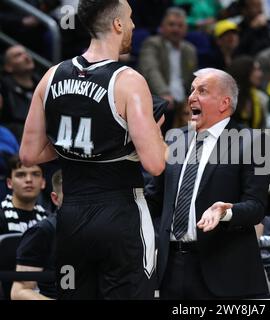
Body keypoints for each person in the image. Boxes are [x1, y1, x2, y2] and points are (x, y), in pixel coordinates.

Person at [19, 0, 167, 299]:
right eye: (130, 18)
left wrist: (79, 145)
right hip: (120, 211)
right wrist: (153, 134)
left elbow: (29, 155)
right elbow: (155, 163)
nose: (134, 25)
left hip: (71, 215)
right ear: (117, 24)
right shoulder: (128, 80)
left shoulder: (51, 75)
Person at [145, 67, 270, 299]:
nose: (191, 97)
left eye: (202, 91)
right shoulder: (175, 140)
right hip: (170, 268)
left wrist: (227, 212)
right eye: (192, 90)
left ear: (224, 103)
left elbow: (256, 207)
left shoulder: (254, 141)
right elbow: (155, 199)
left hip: (224, 270)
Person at [11, 170, 63, 300]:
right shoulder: (43, 231)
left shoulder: (100, 228)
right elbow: (19, 292)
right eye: (72, 196)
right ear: (55, 199)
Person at [0, 155, 47, 235]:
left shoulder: (49, 219)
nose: (29, 180)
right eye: (20, 175)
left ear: (43, 183)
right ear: (9, 183)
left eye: (35, 174)